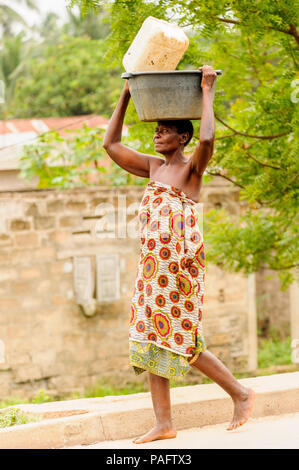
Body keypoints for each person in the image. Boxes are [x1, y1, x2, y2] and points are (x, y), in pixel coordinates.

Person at [103, 65, 255, 444]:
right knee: (152, 338)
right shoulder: (153, 167)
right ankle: (163, 424)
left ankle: (240, 392)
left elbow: (208, 140)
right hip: (152, 271)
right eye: (156, 129)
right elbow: (111, 145)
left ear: (182, 137)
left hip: (180, 270)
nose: (157, 135)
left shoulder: (192, 171)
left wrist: (207, 90)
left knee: (183, 338)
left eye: (165, 130)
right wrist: (126, 95)